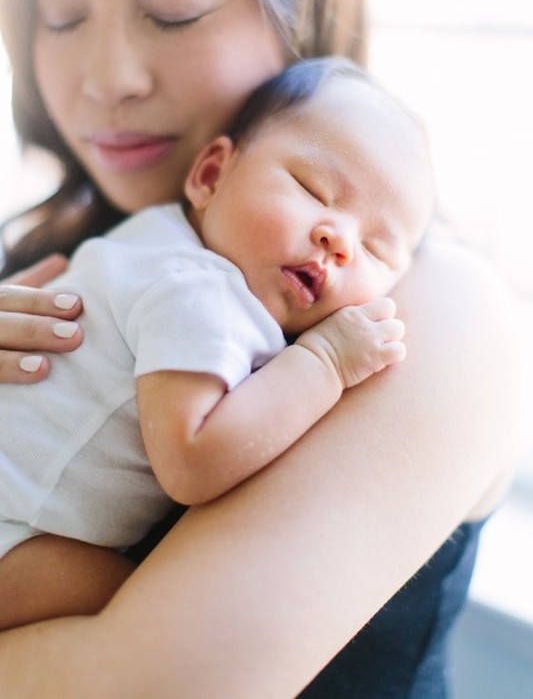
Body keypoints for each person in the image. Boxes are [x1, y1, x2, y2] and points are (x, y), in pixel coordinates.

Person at [0, 0, 518, 696]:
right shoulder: (62, 258)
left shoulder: (428, 312)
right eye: (61, 14)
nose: (107, 79)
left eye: (173, 10)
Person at [0, 56, 435, 630]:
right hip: (15, 531)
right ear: (210, 176)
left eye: (378, 250)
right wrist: (325, 362)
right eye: (313, 189)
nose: (341, 241)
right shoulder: (201, 289)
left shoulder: (154, 238)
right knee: (149, 627)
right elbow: (192, 458)